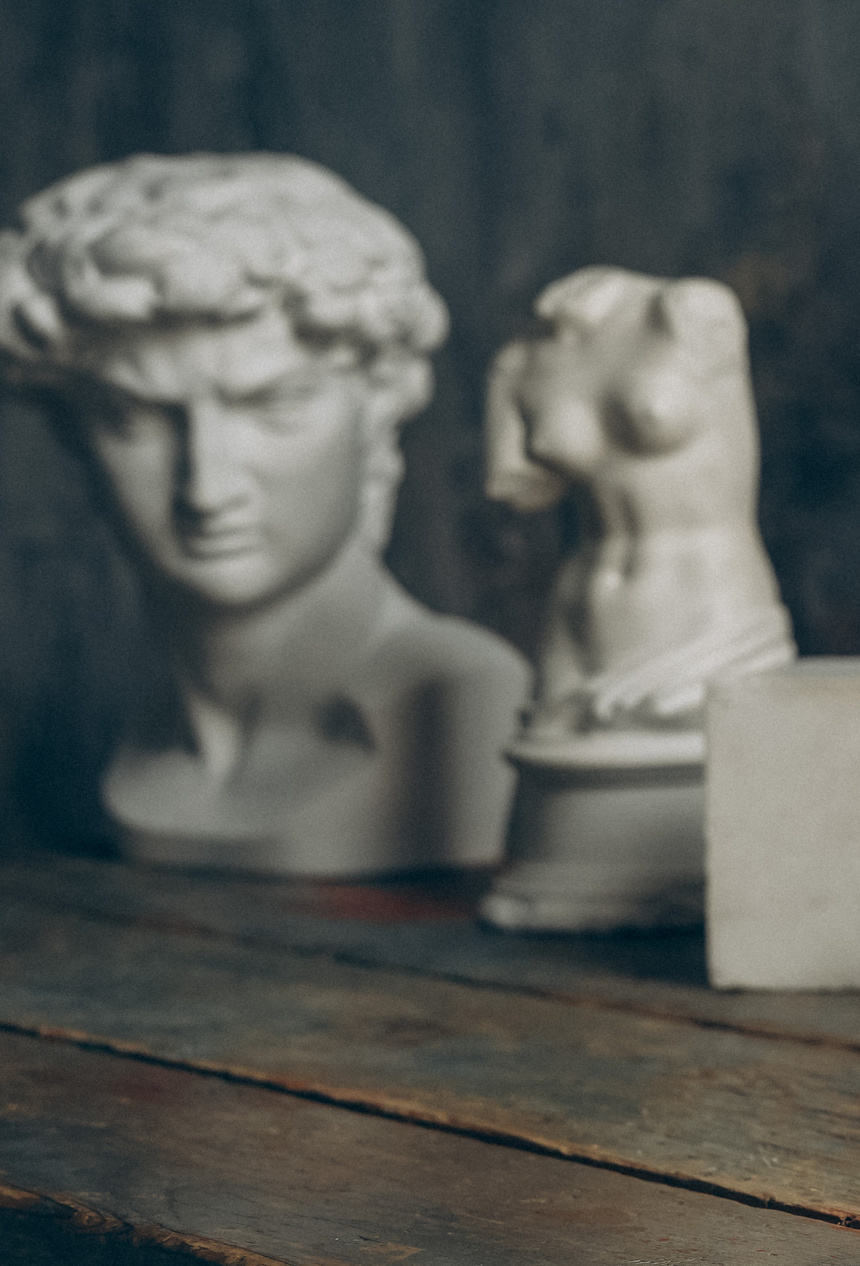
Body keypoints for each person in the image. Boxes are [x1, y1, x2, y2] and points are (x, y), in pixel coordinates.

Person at [0, 153, 529, 876]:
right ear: (74, 440)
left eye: (274, 407)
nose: (207, 486)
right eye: (138, 419)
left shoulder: (459, 704)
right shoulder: (149, 737)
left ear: (377, 414)